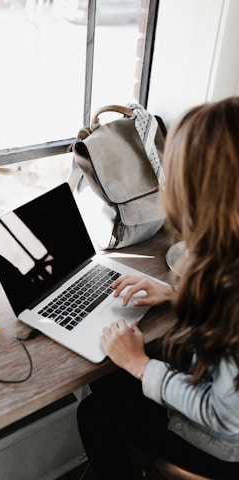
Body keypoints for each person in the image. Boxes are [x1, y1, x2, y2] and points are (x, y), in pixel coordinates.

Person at [77, 96, 239, 479]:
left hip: (227, 447)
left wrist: (140, 364)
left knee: (96, 412)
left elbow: (224, 416)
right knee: (112, 380)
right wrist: (177, 294)